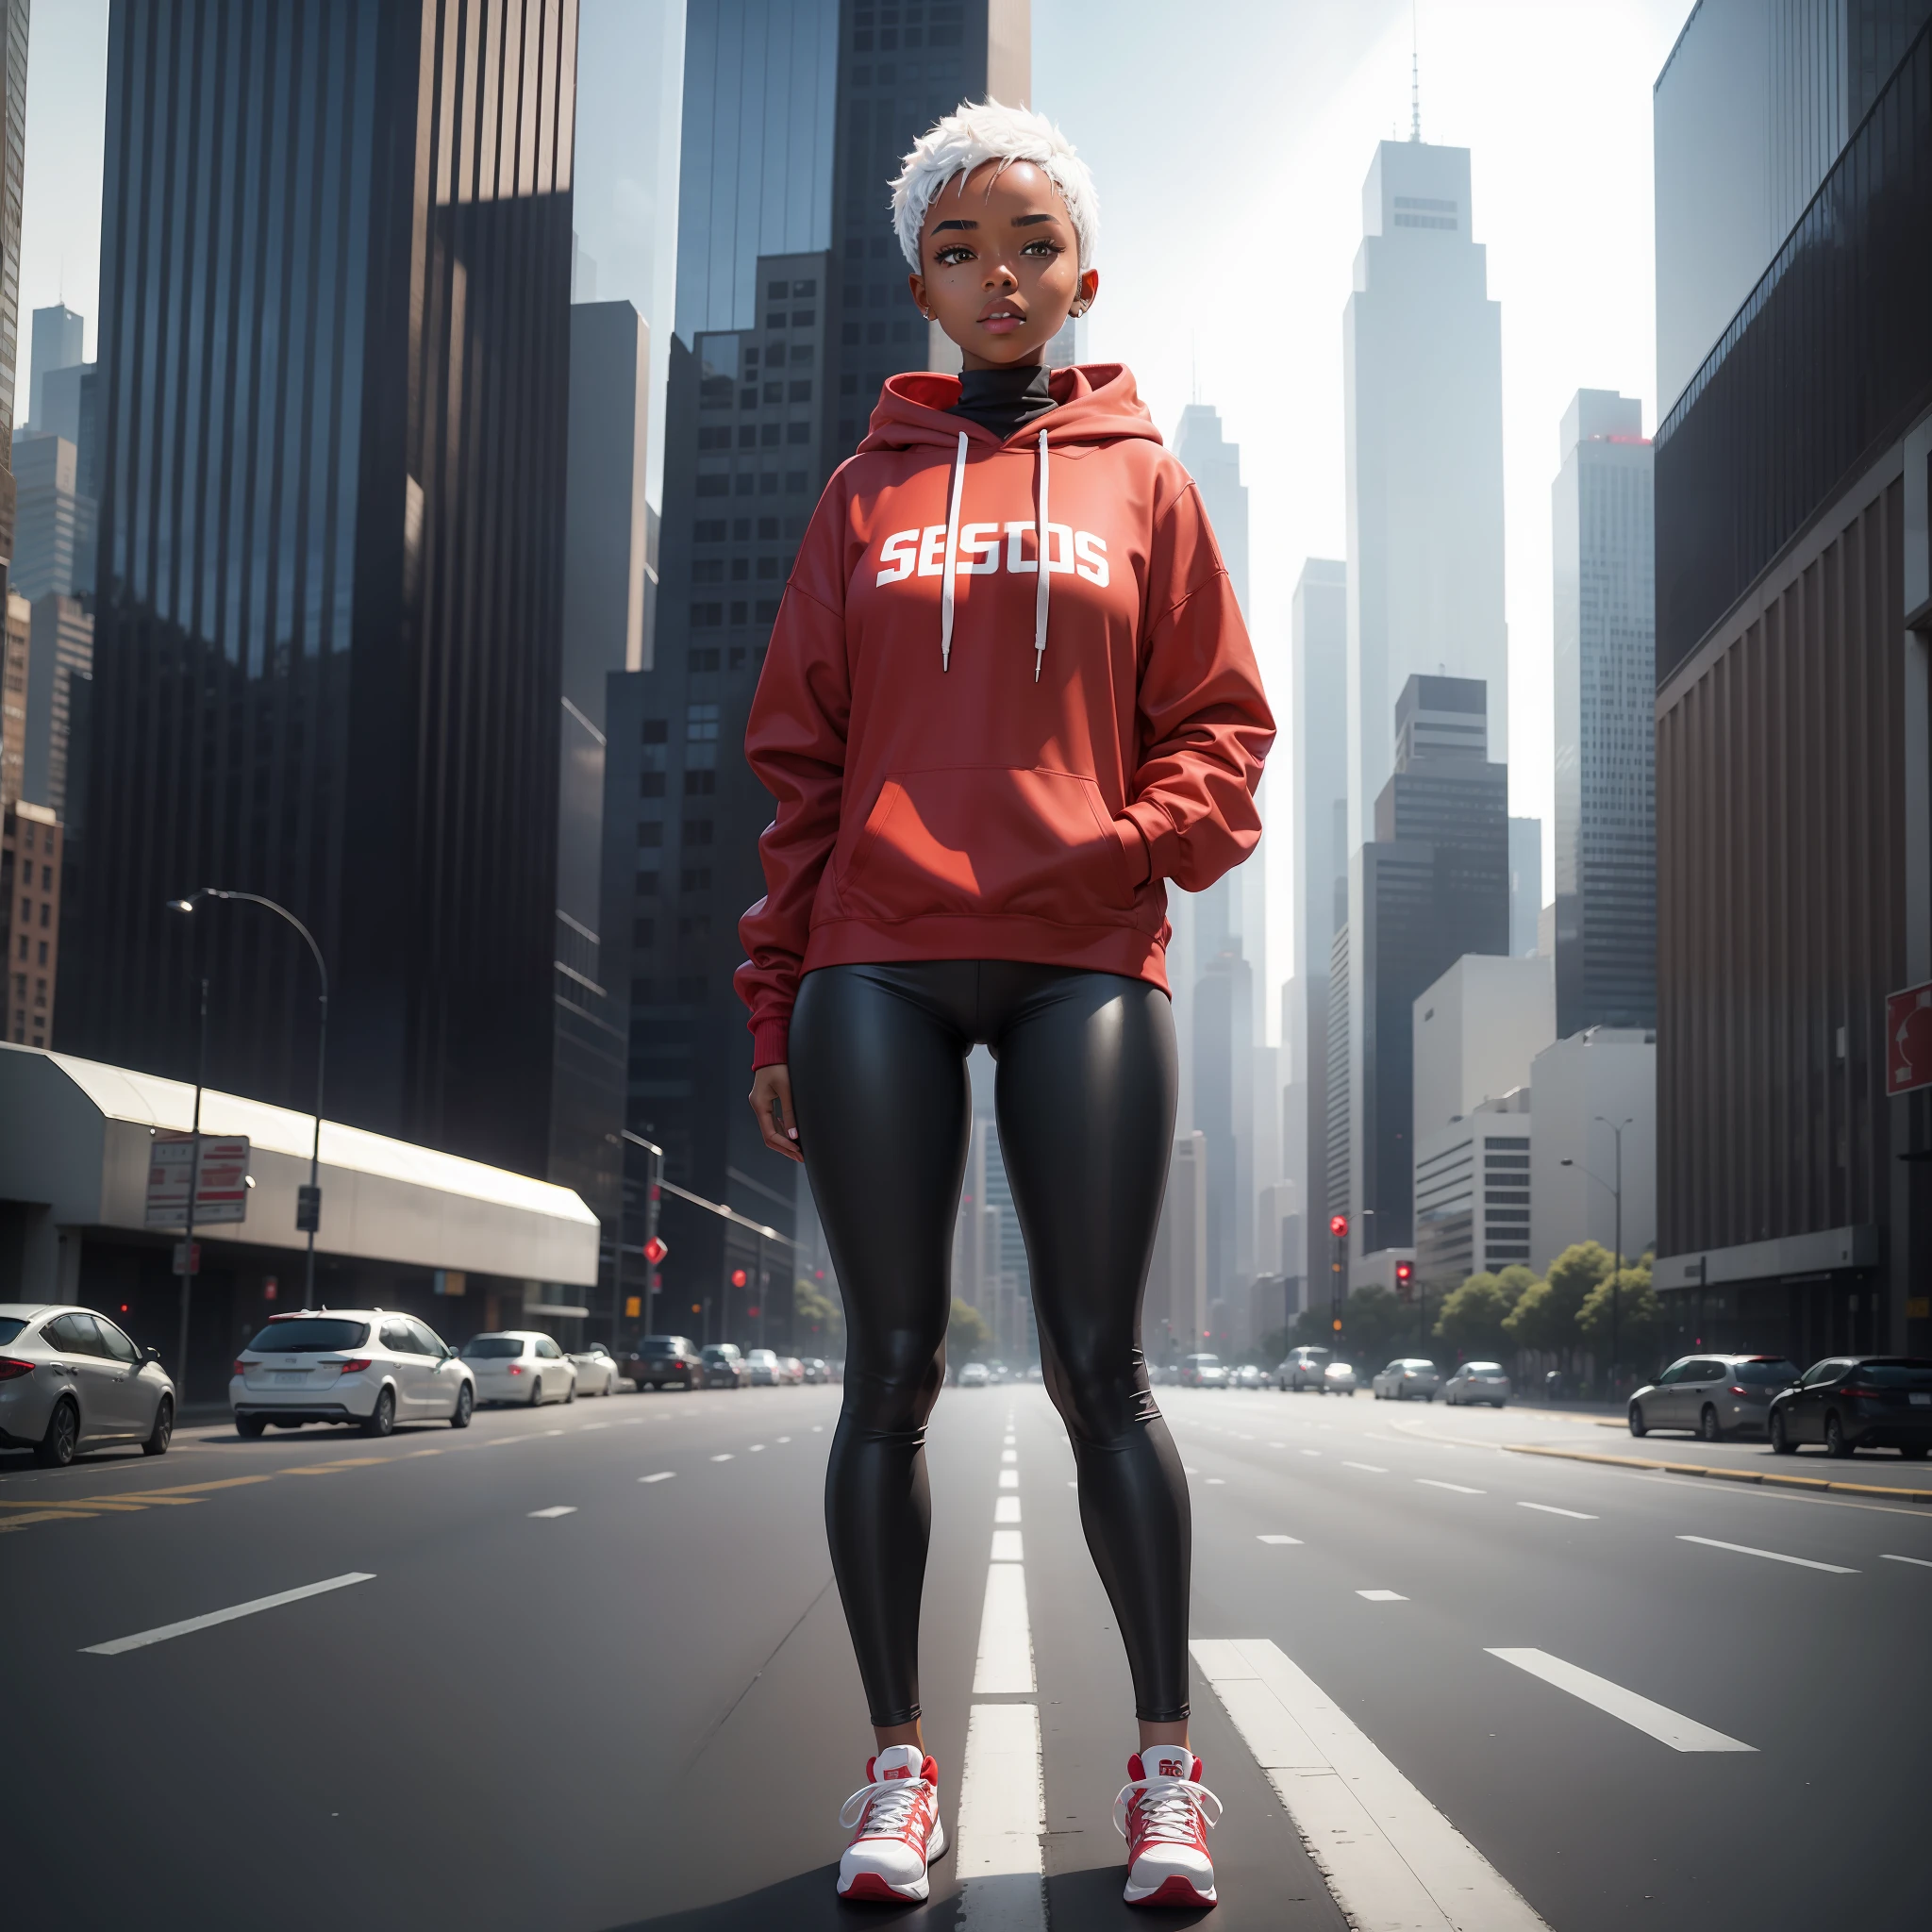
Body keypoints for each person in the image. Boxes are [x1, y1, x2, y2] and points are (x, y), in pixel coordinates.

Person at [735, 99, 1274, 1910]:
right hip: (872, 956)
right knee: (886, 1373)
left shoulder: (1145, 481)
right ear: (922, 287)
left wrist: (1129, 842)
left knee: (1096, 1369)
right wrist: (768, 1007)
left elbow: (1225, 726)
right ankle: (899, 1769)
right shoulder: (861, 495)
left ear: (1083, 273)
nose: (1000, 274)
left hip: (1082, 961)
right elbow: (800, 770)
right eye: (962, 250)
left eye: (1031, 242)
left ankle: (1167, 1776)